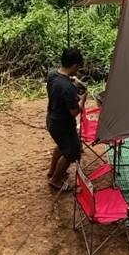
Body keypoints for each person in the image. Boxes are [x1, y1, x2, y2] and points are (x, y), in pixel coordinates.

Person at [46, 47, 86, 190]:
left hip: (52, 120)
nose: (78, 69)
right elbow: (75, 112)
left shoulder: (52, 75)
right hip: (63, 124)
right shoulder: (67, 87)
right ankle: (56, 180)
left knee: (62, 146)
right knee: (72, 152)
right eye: (78, 66)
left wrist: (71, 81)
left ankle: (52, 171)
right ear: (74, 65)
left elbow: (61, 87)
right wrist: (82, 99)